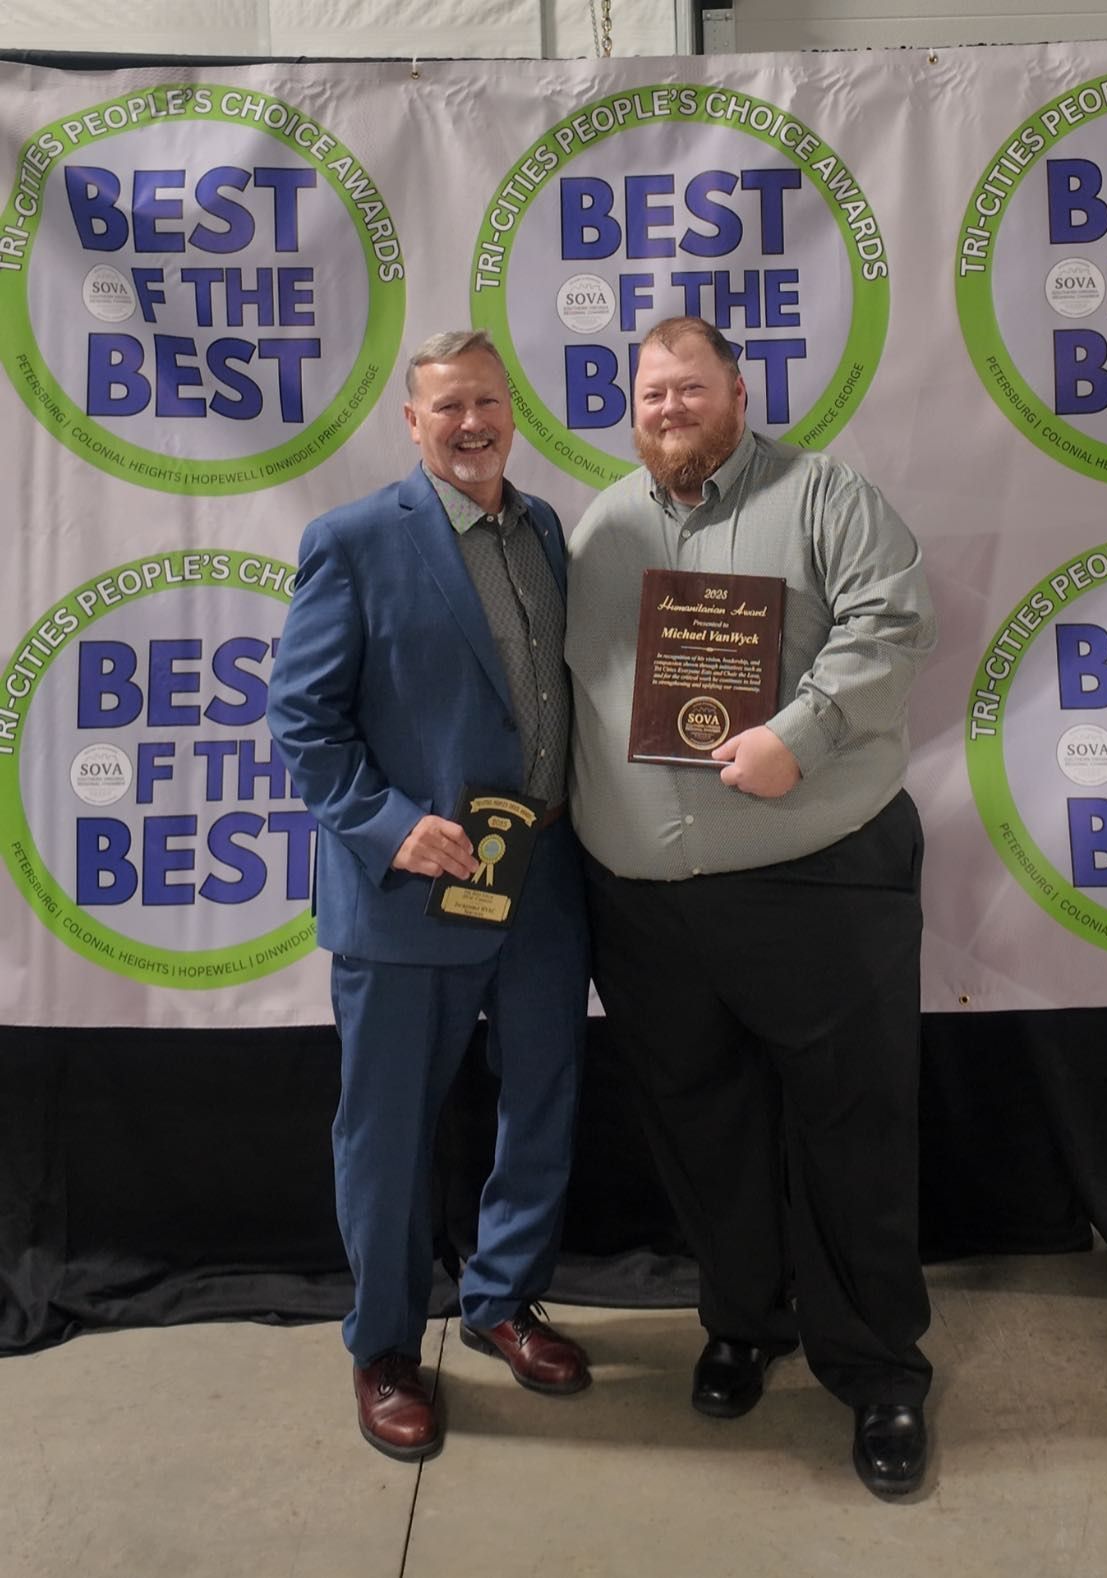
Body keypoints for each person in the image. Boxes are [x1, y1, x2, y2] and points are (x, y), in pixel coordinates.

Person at [566, 316, 937, 1497]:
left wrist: (802, 731)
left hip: (814, 885)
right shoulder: (601, 523)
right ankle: (741, 1321)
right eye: (649, 395)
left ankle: (878, 1371)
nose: (667, 409)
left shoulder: (825, 494)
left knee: (851, 1131)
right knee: (699, 1127)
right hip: (647, 913)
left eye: (688, 387)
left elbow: (892, 622)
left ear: (738, 388)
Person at [268, 329, 590, 1462]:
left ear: (516, 412)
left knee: (540, 1101)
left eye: (488, 403)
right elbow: (302, 724)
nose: (471, 424)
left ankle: (503, 1298)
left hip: (544, 880)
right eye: (447, 407)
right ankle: (388, 1346)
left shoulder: (544, 527)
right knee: (389, 1134)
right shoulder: (353, 541)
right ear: (412, 423)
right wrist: (395, 831)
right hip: (409, 894)